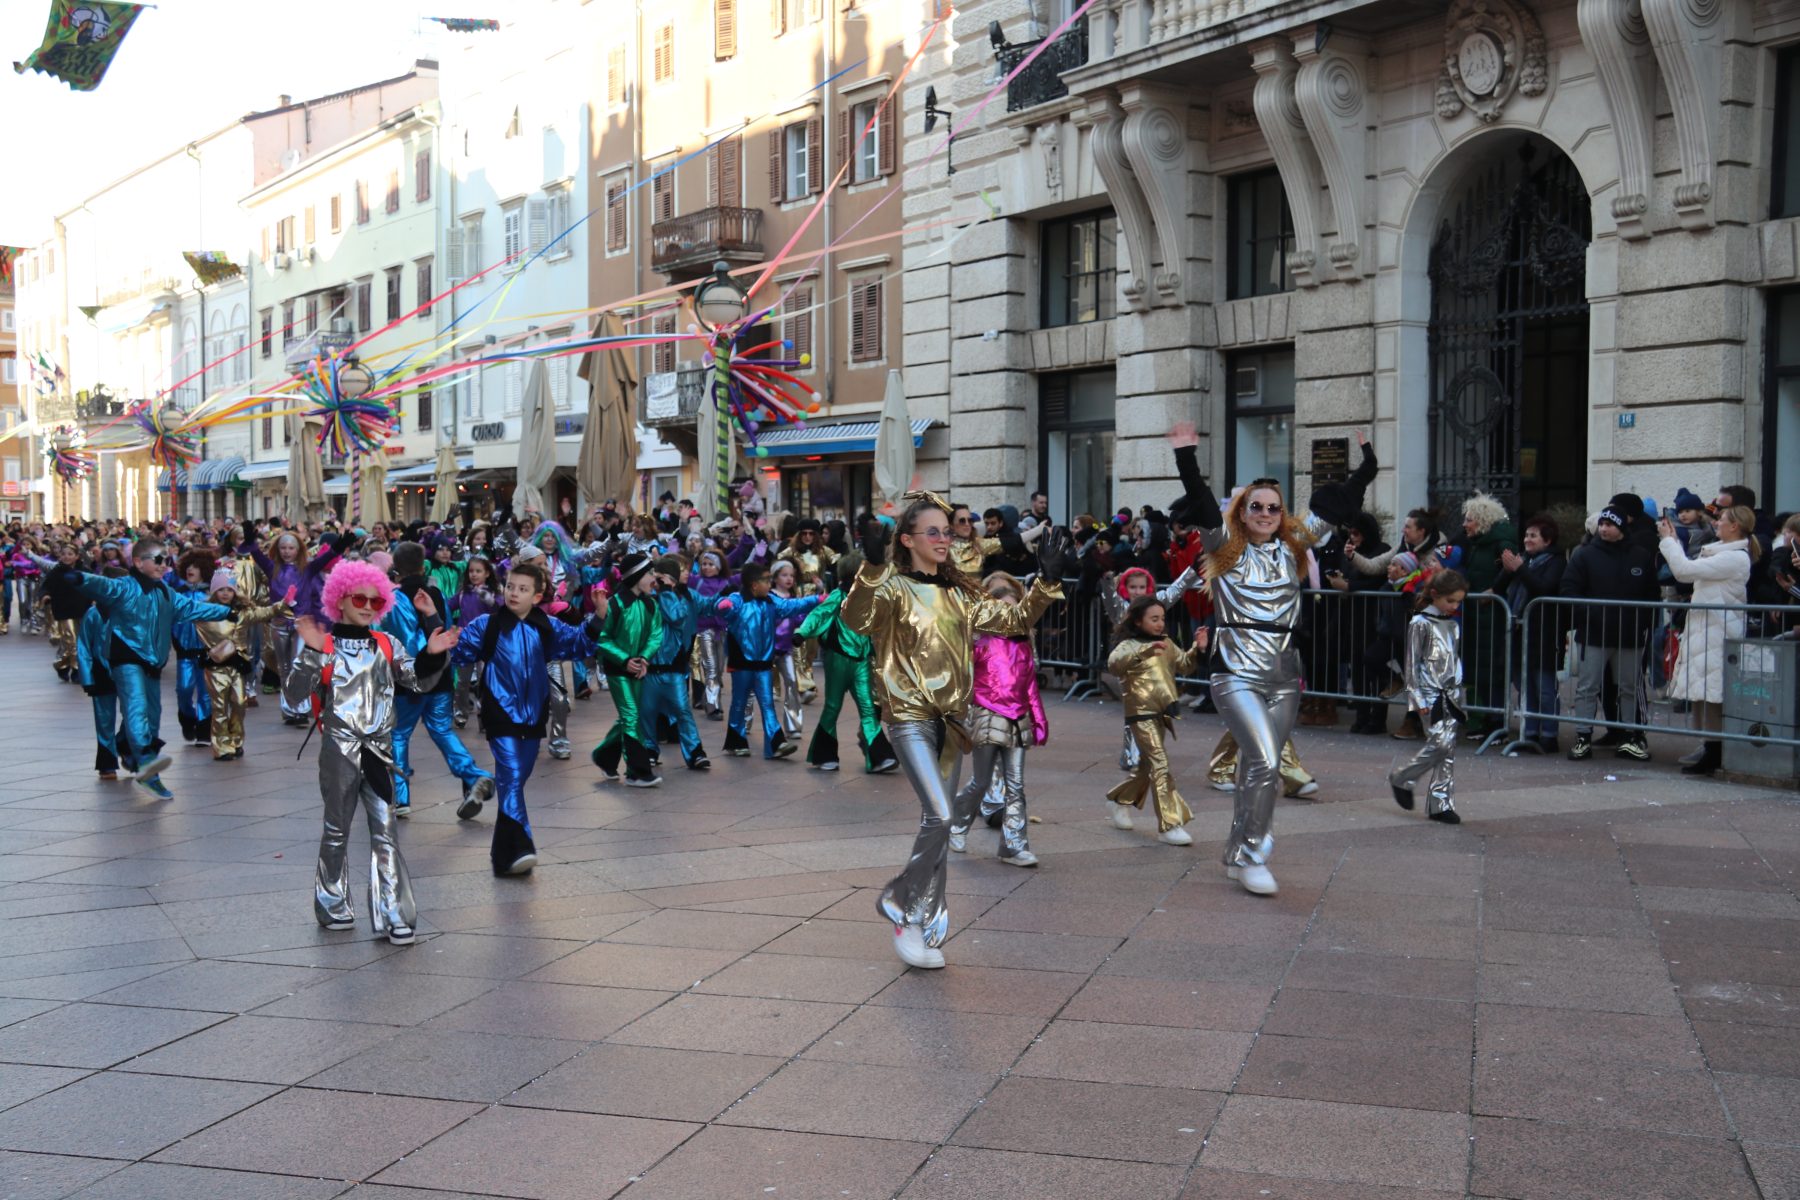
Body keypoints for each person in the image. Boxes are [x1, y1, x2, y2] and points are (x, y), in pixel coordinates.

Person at [841, 493, 1068, 969]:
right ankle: (903, 905)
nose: (944, 539)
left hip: (952, 722)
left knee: (938, 827)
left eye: (947, 531)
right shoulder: (892, 587)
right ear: (908, 540)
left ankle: (922, 925)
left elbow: (1013, 620)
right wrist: (870, 568)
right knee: (942, 816)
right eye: (934, 532)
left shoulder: (962, 593)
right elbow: (855, 620)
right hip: (908, 718)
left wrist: (1045, 582)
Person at [1172, 423, 1352, 897]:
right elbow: (1201, 501)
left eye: (1274, 507)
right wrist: (1187, 455)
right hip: (1236, 672)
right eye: (1257, 506)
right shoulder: (1223, 547)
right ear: (1243, 511)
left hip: (1284, 674)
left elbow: (1336, 506)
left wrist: (1368, 465)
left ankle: (1237, 853)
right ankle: (1254, 853)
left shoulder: (1294, 547)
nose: (1266, 514)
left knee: (1259, 768)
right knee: (1266, 762)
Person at [285, 561, 457, 943]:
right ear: (339, 599)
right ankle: (332, 905)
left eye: (375, 601)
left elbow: (417, 680)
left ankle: (393, 912)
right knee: (336, 831)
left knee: (386, 832)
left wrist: (431, 652)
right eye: (359, 598)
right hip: (339, 752)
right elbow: (293, 696)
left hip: (380, 753)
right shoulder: (325, 645)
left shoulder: (386, 643)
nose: (367, 606)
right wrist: (311, 653)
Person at [453, 559, 605, 875]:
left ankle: (502, 854)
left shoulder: (547, 626)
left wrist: (599, 617)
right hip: (499, 715)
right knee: (510, 777)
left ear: (536, 596)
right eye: (510, 586)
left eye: (523, 589)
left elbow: (579, 644)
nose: (514, 593)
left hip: (534, 717)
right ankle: (520, 847)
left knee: (515, 781)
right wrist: (441, 636)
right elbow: (460, 653)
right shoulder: (486, 625)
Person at [71, 539, 233, 800]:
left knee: (152, 714)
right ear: (138, 562)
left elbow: (192, 607)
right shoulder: (123, 588)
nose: (163, 565)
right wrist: (79, 577)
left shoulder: (165, 592)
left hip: (151, 663)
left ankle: (138, 758)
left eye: (166, 560)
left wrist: (227, 612)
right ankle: (139, 763)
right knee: (133, 710)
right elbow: (102, 585)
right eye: (158, 560)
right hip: (122, 661)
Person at [948, 572, 1049, 866]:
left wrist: (1040, 721)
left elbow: (1030, 687)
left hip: (1018, 721)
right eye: (1003, 609)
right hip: (987, 717)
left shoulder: (1024, 646)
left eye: (1015, 609)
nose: (1009, 615)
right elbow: (962, 680)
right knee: (981, 781)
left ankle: (1013, 847)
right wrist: (961, 716)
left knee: (1016, 786)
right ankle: (956, 825)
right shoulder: (979, 643)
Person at [1659, 505, 1757, 775]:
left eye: (1721, 519)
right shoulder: (1724, 553)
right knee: (1705, 692)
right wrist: (1674, 541)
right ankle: (1709, 746)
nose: (1716, 523)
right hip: (1709, 628)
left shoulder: (1735, 558)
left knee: (1714, 692)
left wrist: (1668, 541)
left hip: (1718, 630)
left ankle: (1715, 751)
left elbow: (1684, 571)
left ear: (1734, 526)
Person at [1105, 595, 1206, 846]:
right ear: (1138, 621)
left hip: (1162, 712)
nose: (1160, 623)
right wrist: (1144, 651)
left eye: (1162, 618)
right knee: (1160, 765)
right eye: (1154, 619)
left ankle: (1119, 800)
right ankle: (1169, 824)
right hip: (1140, 715)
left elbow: (1185, 665)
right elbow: (1114, 665)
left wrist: (1198, 647)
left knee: (1146, 768)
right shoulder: (1128, 645)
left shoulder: (1166, 642)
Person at [1560, 506, 1659, 761]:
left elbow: (1652, 593)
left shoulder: (1640, 555)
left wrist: (1643, 622)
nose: (1604, 528)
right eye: (1602, 524)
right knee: (1587, 686)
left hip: (1630, 634)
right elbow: (1569, 588)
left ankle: (1628, 737)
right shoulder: (1585, 555)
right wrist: (1589, 614)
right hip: (1594, 633)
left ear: (1622, 528)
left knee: (1628, 686)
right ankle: (1583, 737)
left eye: (1610, 524)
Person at [797, 552, 898, 774]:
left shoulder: (871, 599)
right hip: (838, 659)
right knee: (833, 706)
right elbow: (819, 614)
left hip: (862, 661)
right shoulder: (838, 595)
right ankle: (824, 755)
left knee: (868, 708)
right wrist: (802, 633)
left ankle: (879, 757)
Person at [1389, 569, 1469, 823]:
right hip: (1429, 695)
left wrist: (1459, 687)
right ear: (1435, 594)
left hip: (1451, 694)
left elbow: (1454, 659)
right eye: (1450, 601)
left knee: (1448, 749)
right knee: (1441, 744)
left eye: (1458, 602)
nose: (1454, 606)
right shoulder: (1420, 623)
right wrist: (1417, 699)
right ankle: (1403, 777)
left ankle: (1440, 804)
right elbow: (1411, 664)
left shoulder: (1452, 625)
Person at [194, 570, 289, 761]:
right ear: (214, 591)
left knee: (239, 703)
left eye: (229, 589)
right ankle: (222, 747)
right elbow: (181, 611)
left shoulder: (242, 613)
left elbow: (263, 612)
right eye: (221, 589)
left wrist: (283, 604)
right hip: (215, 666)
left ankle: (236, 740)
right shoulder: (204, 612)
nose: (225, 593)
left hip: (237, 665)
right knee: (219, 707)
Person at [589, 551, 666, 787]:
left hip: (638, 670)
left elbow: (656, 634)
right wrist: (624, 660)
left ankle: (603, 756)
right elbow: (603, 638)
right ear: (636, 576)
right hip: (617, 670)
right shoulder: (615, 604)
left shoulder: (651, 604)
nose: (654, 578)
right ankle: (637, 772)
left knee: (628, 717)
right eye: (649, 573)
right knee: (631, 715)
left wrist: (643, 658)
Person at [1496, 514, 1566, 753]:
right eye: (1526, 535)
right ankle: (1530, 731)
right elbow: (1500, 587)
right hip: (1519, 631)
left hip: (1543, 631)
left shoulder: (1556, 561)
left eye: (1533, 536)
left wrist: (1520, 569)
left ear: (1547, 540)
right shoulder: (1523, 560)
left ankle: (1549, 735)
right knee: (1524, 685)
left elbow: (1543, 588)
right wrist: (1508, 570)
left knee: (1544, 686)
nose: (1527, 539)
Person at [639, 555, 711, 772]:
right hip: (649, 667)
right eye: (657, 578)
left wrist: (667, 592)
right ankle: (649, 751)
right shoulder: (647, 599)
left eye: (664, 578)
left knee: (682, 710)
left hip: (673, 668)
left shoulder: (677, 599)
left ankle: (695, 752)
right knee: (647, 712)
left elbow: (677, 618)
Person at [75, 567, 130, 781]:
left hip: (128, 670)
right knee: (104, 718)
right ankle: (107, 763)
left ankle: (124, 744)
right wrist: (87, 677)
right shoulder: (93, 614)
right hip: (101, 672)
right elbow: (83, 646)